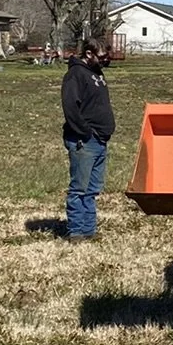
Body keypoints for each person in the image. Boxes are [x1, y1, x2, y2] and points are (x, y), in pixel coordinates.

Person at [61, 39, 115, 241]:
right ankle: (76, 231)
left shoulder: (97, 73)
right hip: (84, 141)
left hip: (101, 140)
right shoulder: (75, 75)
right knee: (79, 189)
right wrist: (84, 133)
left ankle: (89, 231)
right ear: (89, 53)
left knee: (92, 190)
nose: (105, 61)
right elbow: (70, 108)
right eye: (102, 57)